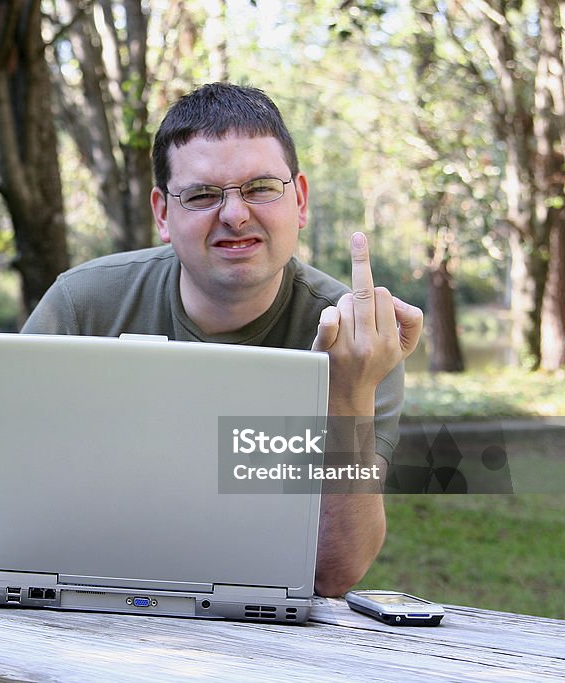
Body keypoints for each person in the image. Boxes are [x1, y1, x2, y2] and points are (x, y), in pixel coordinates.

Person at [22, 82, 423, 597]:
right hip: (84, 597)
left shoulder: (357, 337)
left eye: (260, 188)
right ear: (164, 213)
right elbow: (19, 507)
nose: (234, 215)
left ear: (298, 200)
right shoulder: (81, 307)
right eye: (204, 195)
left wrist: (346, 394)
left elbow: (334, 571)